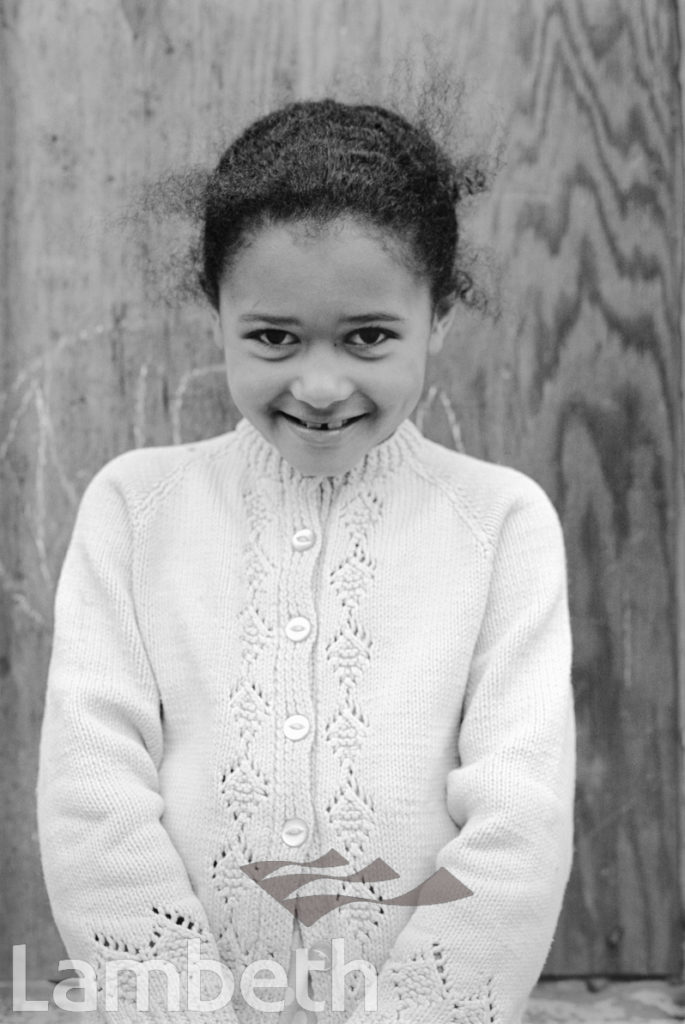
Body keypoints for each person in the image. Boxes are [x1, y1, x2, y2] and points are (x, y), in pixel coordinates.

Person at [36, 98, 576, 1024]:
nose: (320, 386)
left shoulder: (502, 524)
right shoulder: (134, 509)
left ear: (438, 316)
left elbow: (519, 819)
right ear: (218, 315)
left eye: (368, 335)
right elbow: (94, 791)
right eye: (273, 337)